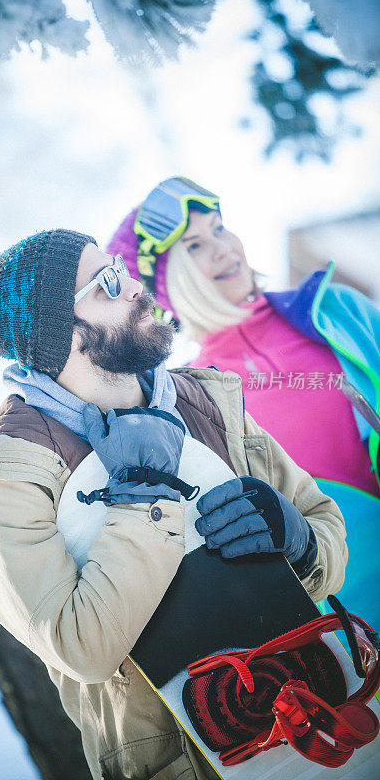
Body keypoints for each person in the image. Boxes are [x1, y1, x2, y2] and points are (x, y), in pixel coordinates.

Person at [0, 229, 346, 780]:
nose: (134, 287)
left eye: (122, 270)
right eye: (107, 284)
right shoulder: (8, 474)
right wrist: (144, 493)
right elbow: (83, 649)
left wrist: (297, 538)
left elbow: (326, 534)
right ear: (57, 333)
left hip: (324, 722)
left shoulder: (209, 398)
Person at [106, 176, 380, 627]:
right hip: (353, 619)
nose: (221, 247)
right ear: (165, 286)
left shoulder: (335, 310)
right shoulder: (191, 404)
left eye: (218, 228)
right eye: (193, 246)